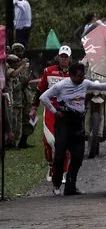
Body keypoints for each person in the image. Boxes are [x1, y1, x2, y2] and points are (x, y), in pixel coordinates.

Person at [40, 62, 106, 196]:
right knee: (60, 155)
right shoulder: (61, 85)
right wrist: (54, 111)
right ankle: (56, 184)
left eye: (83, 75)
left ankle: (70, 186)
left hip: (77, 122)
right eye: (79, 76)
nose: (82, 78)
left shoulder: (84, 84)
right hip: (63, 123)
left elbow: (100, 86)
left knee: (78, 156)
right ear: (71, 75)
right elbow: (43, 97)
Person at [30, 45, 73, 182]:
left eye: (66, 57)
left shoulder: (74, 73)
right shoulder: (49, 71)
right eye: (62, 56)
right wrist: (34, 108)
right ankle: (50, 165)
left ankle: (63, 172)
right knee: (49, 141)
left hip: (67, 111)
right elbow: (39, 91)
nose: (64, 59)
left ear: (70, 58)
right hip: (50, 109)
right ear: (58, 57)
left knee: (65, 142)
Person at [10, 43, 34, 149]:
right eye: (16, 51)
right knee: (15, 121)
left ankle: (23, 140)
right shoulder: (11, 65)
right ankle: (12, 143)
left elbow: (27, 78)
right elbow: (15, 83)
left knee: (28, 119)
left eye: (20, 51)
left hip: (26, 96)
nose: (19, 53)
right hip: (17, 97)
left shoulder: (26, 64)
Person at [6, 54, 28, 149]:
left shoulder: (13, 70)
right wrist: (22, 66)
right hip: (9, 100)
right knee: (12, 123)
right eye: (15, 63)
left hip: (16, 101)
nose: (16, 66)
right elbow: (14, 74)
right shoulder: (7, 68)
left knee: (18, 125)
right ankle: (8, 143)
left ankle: (14, 143)